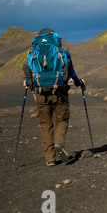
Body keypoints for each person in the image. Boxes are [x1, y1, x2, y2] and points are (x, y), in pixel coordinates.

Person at [23, 28, 85, 166]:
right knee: (62, 119)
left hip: (40, 93)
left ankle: (50, 158)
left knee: (45, 124)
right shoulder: (63, 53)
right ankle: (59, 142)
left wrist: (27, 83)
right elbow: (72, 74)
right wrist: (79, 82)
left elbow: (30, 75)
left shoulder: (32, 54)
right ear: (55, 38)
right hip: (60, 92)